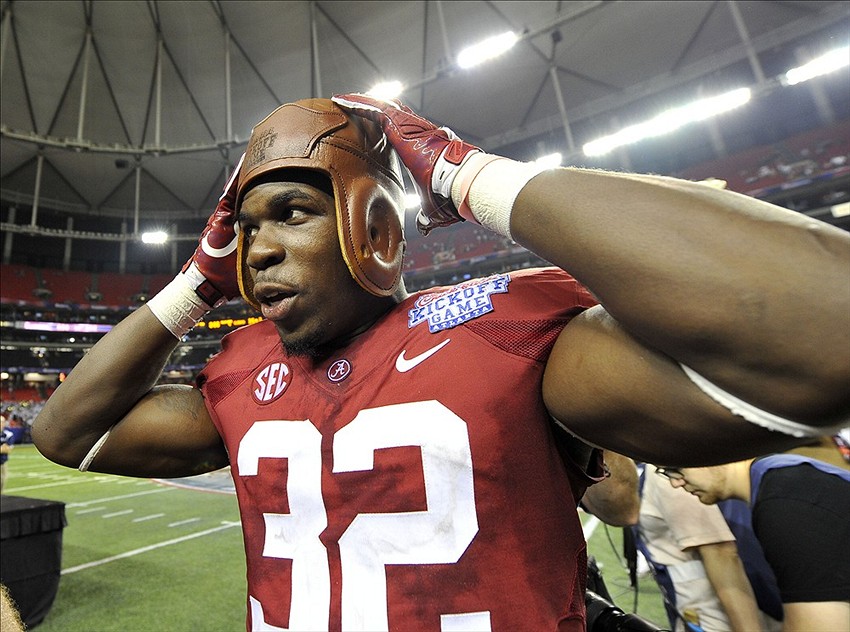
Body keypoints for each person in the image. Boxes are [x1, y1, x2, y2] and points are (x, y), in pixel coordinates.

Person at [30, 94, 850, 631]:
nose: (261, 250)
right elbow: (62, 432)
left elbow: (828, 331)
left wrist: (466, 175)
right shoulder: (242, 375)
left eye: (292, 213)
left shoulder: (506, 337)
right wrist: (194, 282)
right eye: (244, 232)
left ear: (378, 232)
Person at [661, 456, 850, 632]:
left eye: (677, 469)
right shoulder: (780, 477)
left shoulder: (784, 501)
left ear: (715, 451)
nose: (675, 483)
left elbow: (819, 626)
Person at [637, 464, 768, 632]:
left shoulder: (673, 465)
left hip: (713, 610)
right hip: (698, 599)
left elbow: (721, 553)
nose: (676, 483)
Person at [1, 415, 15, 492]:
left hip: (2, 462)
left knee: (2, 482)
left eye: (2, 422)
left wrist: (4, 448)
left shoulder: (8, 434)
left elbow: (8, 449)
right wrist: (3, 448)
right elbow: (4, 448)